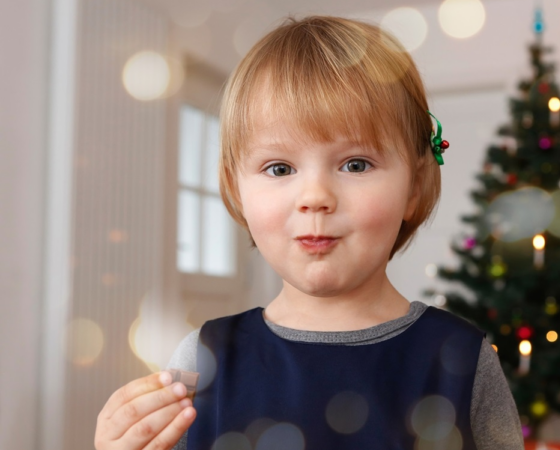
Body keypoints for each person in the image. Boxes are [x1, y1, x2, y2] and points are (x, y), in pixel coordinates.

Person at [95, 15, 524, 450]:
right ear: (236, 190)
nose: (315, 196)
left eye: (355, 164)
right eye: (279, 168)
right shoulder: (202, 360)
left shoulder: (463, 361)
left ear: (413, 187)